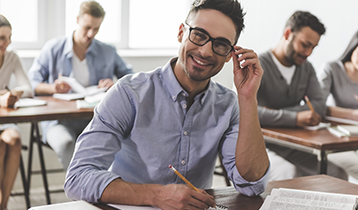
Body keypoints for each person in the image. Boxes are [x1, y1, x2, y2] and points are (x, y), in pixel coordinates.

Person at [64, 0, 270, 209]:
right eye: (198, 35)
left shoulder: (229, 105)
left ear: (229, 55)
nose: (206, 51)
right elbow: (78, 178)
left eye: (221, 44)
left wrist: (247, 97)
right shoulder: (129, 93)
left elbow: (251, 185)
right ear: (181, 33)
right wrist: (157, 195)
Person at [27, 0, 133, 169]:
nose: (90, 34)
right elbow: (30, 84)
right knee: (66, 144)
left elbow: (131, 78)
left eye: (96, 29)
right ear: (77, 20)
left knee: (117, 144)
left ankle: (102, 189)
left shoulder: (107, 51)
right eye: (87, 27)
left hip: (95, 119)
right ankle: (84, 189)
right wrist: (52, 88)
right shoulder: (53, 48)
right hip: (58, 121)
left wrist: (115, 83)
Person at [257, 11, 347, 181]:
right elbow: (248, 113)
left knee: (338, 174)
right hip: (260, 144)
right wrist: (295, 118)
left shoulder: (307, 68)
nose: (308, 53)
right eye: (305, 44)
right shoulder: (258, 65)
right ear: (287, 34)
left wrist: (274, 113)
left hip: (292, 145)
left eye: (313, 47)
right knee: (290, 174)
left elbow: (319, 104)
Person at [0, 14, 33, 210]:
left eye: (9, 37)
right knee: (0, 146)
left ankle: (3, 206)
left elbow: (28, 88)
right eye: (2, 38)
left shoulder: (12, 57)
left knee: (15, 140)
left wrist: (12, 93)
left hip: (4, 120)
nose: (7, 42)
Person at [318, 30, 358, 180]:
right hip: (337, 138)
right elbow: (318, 105)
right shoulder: (332, 68)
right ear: (354, 46)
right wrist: (353, 115)